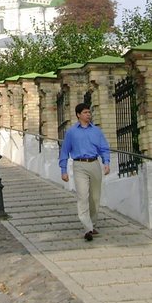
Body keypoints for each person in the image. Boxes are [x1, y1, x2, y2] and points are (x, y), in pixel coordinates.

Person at [59, 102, 111, 242]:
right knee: (82, 196)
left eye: (89, 112)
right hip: (79, 165)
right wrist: (63, 170)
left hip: (94, 164)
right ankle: (87, 228)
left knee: (95, 197)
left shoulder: (96, 131)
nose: (89, 115)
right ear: (78, 115)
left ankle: (92, 223)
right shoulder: (71, 132)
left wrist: (106, 162)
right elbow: (64, 151)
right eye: (86, 112)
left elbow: (104, 148)